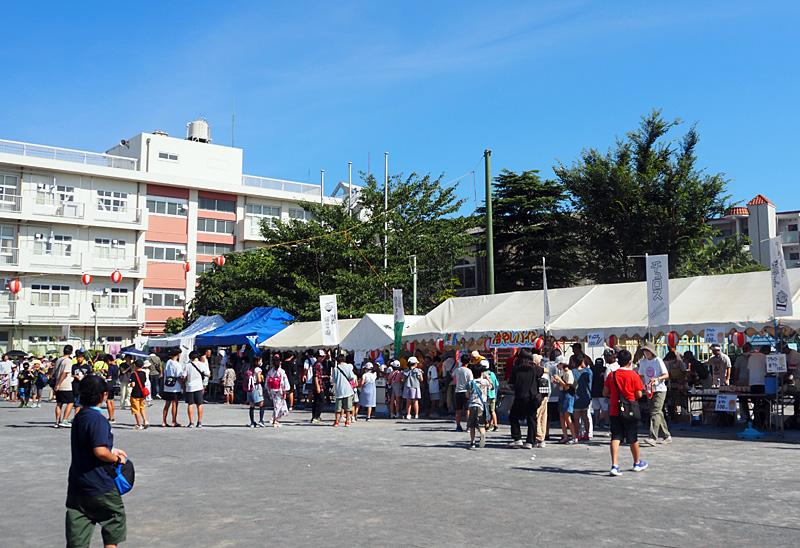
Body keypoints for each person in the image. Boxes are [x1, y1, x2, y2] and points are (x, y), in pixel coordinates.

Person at [65, 374, 128, 548]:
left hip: (77, 486)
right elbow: (99, 451)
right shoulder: (97, 419)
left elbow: (87, 443)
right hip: (99, 485)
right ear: (104, 395)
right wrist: (117, 458)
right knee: (113, 522)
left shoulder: (80, 416)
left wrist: (111, 449)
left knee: (78, 532)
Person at [603, 349, 647, 476]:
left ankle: (614, 465)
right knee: (633, 437)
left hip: (615, 409)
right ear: (629, 362)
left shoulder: (612, 375)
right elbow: (639, 394)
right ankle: (637, 463)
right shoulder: (634, 375)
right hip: (630, 410)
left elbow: (605, 392)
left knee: (616, 437)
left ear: (618, 362)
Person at [507, 349, 543, 450]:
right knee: (532, 419)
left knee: (513, 417)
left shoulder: (516, 368)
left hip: (520, 396)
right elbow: (543, 371)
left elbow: (511, 382)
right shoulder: (535, 368)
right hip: (533, 396)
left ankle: (517, 438)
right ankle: (530, 441)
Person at [638, 341, 671, 445]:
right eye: (645, 351)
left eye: (648, 351)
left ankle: (653, 437)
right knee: (657, 412)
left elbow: (666, 375)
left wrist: (657, 378)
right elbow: (641, 375)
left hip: (659, 389)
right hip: (649, 389)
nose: (646, 353)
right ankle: (666, 435)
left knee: (655, 412)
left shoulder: (658, 361)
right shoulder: (643, 362)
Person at [552, 356, 578, 444]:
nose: (557, 367)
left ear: (562, 364)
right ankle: (565, 436)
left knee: (567, 416)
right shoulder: (563, 373)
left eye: (558, 365)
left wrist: (559, 379)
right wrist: (556, 382)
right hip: (562, 394)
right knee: (562, 416)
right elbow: (562, 385)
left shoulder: (569, 372)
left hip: (568, 395)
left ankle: (574, 437)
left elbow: (567, 386)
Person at [467, 363, 492, 449]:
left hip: (472, 404)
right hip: (481, 406)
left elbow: (467, 394)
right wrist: (488, 378)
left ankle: (472, 442)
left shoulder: (471, 383)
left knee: (472, 425)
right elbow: (492, 387)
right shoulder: (485, 382)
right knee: (481, 424)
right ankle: (482, 434)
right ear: (482, 373)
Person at [185, 350, 209, 428]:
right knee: (199, 404)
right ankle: (199, 422)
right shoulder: (202, 364)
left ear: (191, 358)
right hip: (199, 386)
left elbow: (184, 376)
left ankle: (191, 422)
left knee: (190, 404)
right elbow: (208, 374)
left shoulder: (188, 365)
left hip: (190, 387)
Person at [331, 353, 356, 427]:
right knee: (348, 407)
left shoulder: (336, 369)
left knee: (338, 407)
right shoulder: (348, 367)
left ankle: (336, 421)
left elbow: (334, 380)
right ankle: (347, 421)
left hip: (339, 389)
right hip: (348, 389)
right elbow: (352, 377)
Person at [161, 349, 184, 428]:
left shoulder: (168, 362)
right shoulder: (177, 364)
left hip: (167, 385)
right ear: (178, 354)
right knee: (175, 404)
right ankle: (174, 421)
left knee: (167, 404)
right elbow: (178, 377)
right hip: (175, 387)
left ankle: (164, 421)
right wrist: (183, 386)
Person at [266, 354, 290, 427]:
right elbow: (284, 382)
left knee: (277, 404)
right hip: (279, 390)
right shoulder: (281, 371)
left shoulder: (271, 371)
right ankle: (275, 420)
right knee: (278, 405)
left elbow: (267, 381)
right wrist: (285, 392)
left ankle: (273, 418)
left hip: (272, 389)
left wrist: (268, 389)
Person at [54, 345, 75, 428]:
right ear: (71, 352)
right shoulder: (68, 361)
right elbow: (65, 373)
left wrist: (57, 384)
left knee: (59, 403)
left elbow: (54, 372)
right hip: (65, 384)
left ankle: (57, 421)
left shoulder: (59, 360)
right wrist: (59, 384)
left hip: (57, 383)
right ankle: (64, 420)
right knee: (70, 402)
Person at [572, 358, 593, 441]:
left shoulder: (573, 372)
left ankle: (577, 435)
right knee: (585, 417)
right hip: (586, 396)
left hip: (576, 397)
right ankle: (587, 434)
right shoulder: (588, 372)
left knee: (576, 418)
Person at [453, 353, 474, 432]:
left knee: (458, 410)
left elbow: (452, 375)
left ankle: (458, 425)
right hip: (466, 391)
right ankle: (468, 426)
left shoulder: (457, 369)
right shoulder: (469, 371)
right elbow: (471, 382)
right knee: (467, 409)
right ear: (469, 362)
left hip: (458, 391)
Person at [244, 357, 266, 427]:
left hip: (250, 387)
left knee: (251, 405)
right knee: (261, 403)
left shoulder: (250, 368)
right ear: (258, 362)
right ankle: (261, 420)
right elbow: (259, 380)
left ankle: (252, 422)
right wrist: (262, 378)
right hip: (256, 387)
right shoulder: (258, 369)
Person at [129, 359, 150, 430]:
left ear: (135, 366)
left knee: (136, 409)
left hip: (135, 393)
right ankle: (145, 421)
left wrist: (130, 385)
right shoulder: (144, 373)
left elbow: (133, 384)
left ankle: (139, 424)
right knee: (142, 408)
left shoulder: (133, 374)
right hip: (142, 393)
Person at [72, 351, 92, 416]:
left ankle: (79, 416)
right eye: (78, 357)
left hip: (84, 386)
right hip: (76, 386)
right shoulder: (74, 366)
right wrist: (75, 376)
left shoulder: (86, 367)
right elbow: (70, 375)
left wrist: (85, 377)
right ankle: (76, 417)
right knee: (76, 403)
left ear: (83, 358)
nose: (79, 359)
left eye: (81, 357)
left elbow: (90, 375)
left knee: (82, 403)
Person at [484, 360, 499, 431]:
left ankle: (487, 425)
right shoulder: (492, 373)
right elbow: (496, 384)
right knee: (493, 411)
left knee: (486, 411)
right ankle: (495, 425)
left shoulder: (483, 374)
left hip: (486, 395)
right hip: (493, 395)